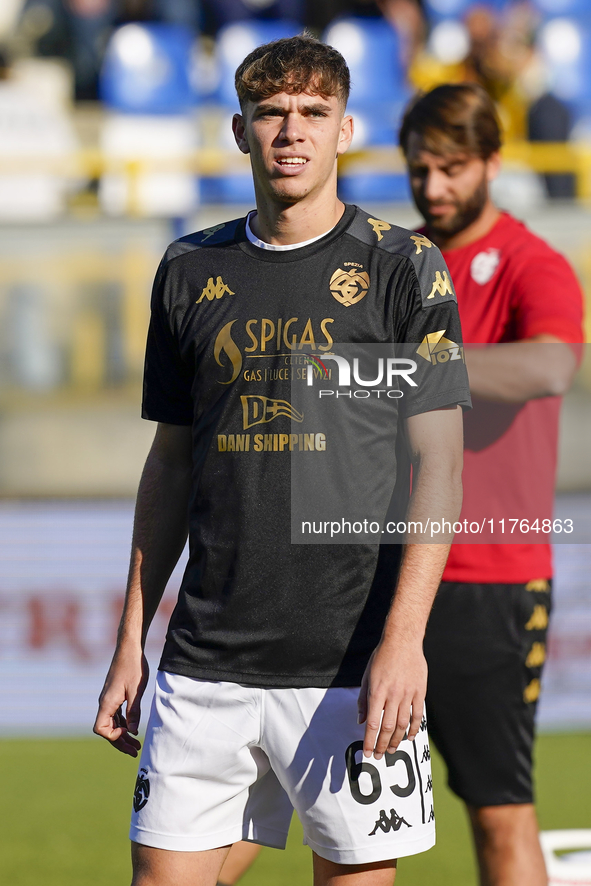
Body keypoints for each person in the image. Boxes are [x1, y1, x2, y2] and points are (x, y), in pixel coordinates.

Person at [93, 37, 471, 886]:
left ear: (345, 130)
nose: (289, 132)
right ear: (239, 130)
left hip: (350, 663)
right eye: (270, 114)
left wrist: (404, 642)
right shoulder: (189, 268)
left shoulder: (402, 267)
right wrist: (130, 640)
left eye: (311, 114)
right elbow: (170, 465)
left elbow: (440, 469)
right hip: (203, 662)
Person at [399, 83, 584, 886]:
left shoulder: (529, 262)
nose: (433, 187)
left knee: (499, 812)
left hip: (488, 578)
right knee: (328, 807)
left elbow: (548, 364)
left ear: (492, 165)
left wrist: (406, 369)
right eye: (419, 168)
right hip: (376, 568)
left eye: (451, 167)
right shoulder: (389, 264)